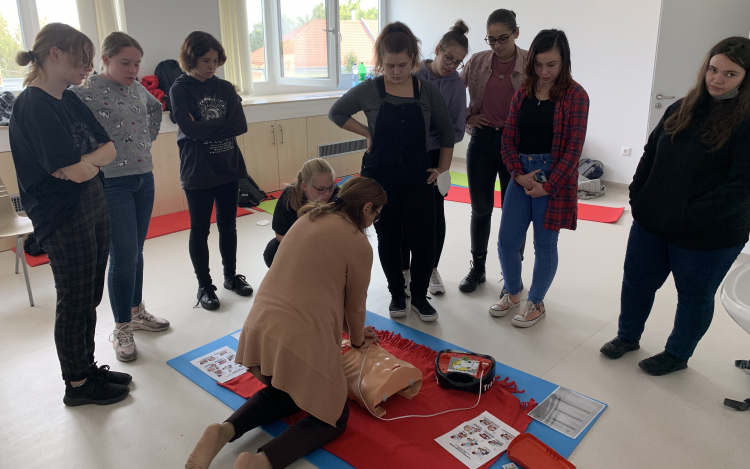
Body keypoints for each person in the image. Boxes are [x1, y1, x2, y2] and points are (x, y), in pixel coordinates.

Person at [185, 177, 385, 469]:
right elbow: (355, 307)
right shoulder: (358, 244)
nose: (374, 222)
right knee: (333, 417)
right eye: (376, 215)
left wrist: (346, 328)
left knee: (288, 390)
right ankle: (260, 463)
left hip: (258, 330)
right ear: (367, 208)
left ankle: (223, 430)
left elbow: (314, 289)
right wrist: (357, 339)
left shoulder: (309, 218)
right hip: (298, 339)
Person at [600, 37, 750, 375]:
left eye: (730, 74)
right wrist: (638, 195)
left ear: (746, 78)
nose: (717, 79)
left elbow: (741, 188)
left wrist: (688, 215)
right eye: (713, 69)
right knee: (637, 281)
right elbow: (651, 152)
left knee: (694, 296)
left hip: (709, 234)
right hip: (653, 221)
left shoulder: (745, 122)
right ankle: (627, 336)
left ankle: (677, 355)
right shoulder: (682, 106)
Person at [9, 23, 131, 406]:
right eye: (83, 60)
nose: (88, 68)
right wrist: (88, 164)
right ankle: (77, 385)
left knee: (90, 296)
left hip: (91, 202)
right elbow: (75, 169)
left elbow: (108, 150)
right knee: (75, 301)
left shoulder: (69, 98)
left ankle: (86, 366)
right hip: (62, 216)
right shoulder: (33, 105)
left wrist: (86, 163)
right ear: (55, 54)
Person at [329, 22, 454, 322]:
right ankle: (398, 293)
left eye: (402, 65)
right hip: (378, 177)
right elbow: (337, 112)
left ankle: (420, 297)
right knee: (388, 237)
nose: (396, 72)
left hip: (417, 175)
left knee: (424, 238)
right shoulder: (369, 90)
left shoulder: (427, 92)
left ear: (412, 58)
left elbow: (447, 133)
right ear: (380, 61)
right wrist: (366, 132)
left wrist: (442, 169)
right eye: (389, 66)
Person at [73, 32, 169, 363]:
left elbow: (155, 110)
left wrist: (140, 144)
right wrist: (87, 157)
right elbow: (68, 126)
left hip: (144, 176)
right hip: (110, 182)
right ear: (106, 60)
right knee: (124, 254)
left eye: (137, 64)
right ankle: (121, 328)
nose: (132, 70)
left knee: (136, 250)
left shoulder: (137, 88)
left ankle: (136, 310)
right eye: (125, 63)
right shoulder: (84, 91)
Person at [491, 29, 589, 328]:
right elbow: (508, 137)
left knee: (544, 245)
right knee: (507, 241)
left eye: (552, 65)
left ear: (564, 62)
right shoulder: (523, 92)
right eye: (538, 65)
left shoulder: (576, 96)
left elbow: (573, 150)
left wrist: (548, 186)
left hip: (553, 177)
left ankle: (536, 301)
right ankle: (513, 292)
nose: (544, 72)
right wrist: (518, 175)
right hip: (521, 173)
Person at [170, 31, 253, 311]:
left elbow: (240, 125)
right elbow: (188, 129)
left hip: (228, 165)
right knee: (200, 230)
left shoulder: (226, 88)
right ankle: (204, 285)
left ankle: (230, 276)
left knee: (228, 225)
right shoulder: (180, 88)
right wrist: (215, 126)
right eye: (206, 60)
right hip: (198, 170)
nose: (212, 66)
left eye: (216, 60)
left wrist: (201, 129)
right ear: (191, 58)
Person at [458, 9, 529, 293]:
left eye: (503, 38)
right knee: (481, 209)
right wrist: (465, 116)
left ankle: (512, 274)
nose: (497, 45)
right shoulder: (477, 61)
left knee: (515, 212)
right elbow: (450, 93)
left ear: (516, 33)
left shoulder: (530, 63)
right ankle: (477, 268)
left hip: (517, 145)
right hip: (483, 142)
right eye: (491, 40)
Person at [401, 20, 469, 296]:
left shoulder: (455, 85)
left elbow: (455, 130)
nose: (451, 66)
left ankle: (430, 269)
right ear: (438, 49)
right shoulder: (413, 73)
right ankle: (405, 271)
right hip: (405, 152)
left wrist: (442, 167)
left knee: (433, 215)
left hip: (434, 155)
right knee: (404, 214)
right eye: (449, 58)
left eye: (458, 62)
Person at [263, 158, 339, 267]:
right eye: (321, 189)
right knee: (272, 250)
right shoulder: (289, 196)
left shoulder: (337, 195)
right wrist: (307, 247)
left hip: (328, 244)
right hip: (300, 244)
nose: (327, 193)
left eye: (331, 187)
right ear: (304, 186)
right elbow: (280, 234)